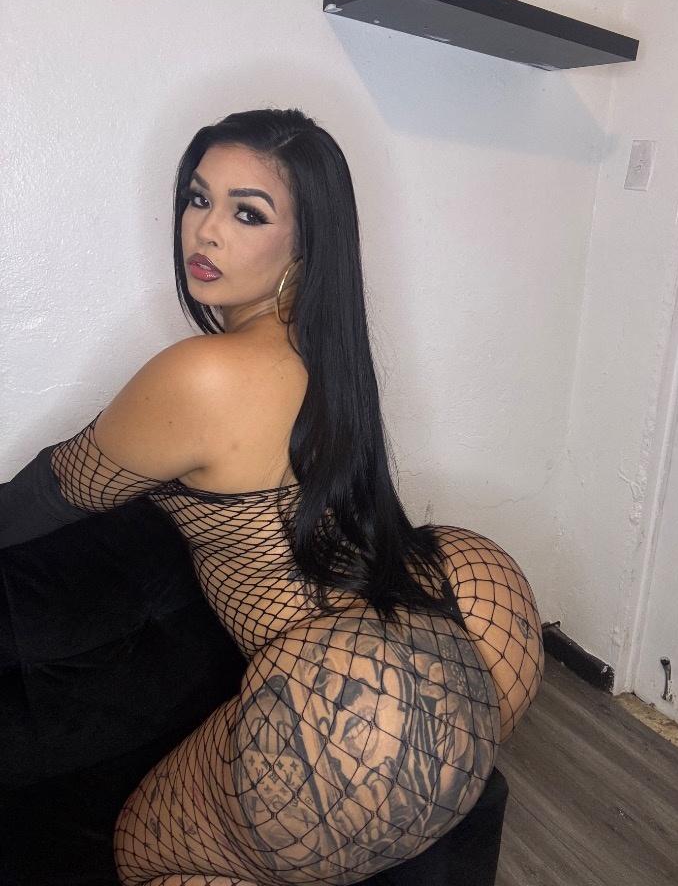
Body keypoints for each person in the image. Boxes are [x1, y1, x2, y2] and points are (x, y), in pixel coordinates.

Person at [0, 107, 545, 886]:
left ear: (306, 243)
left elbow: (42, 497)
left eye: (247, 212)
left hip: (343, 723)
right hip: (466, 654)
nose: (205, 231)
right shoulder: (331, 355)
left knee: (138, 856)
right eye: (198, 198)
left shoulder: (202, 373)